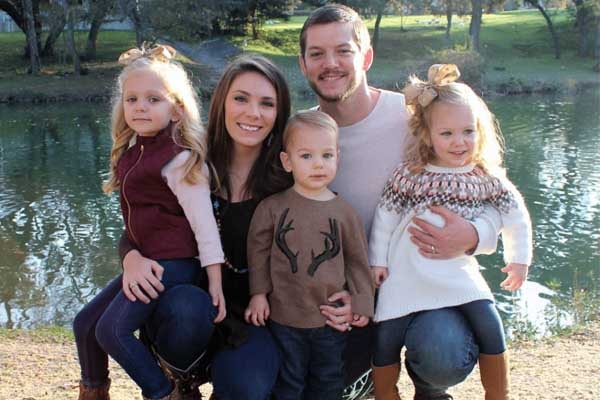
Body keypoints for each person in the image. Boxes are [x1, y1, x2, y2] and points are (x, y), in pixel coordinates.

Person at [298, 4, 504, 399]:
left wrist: (475, 235)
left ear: (366, 57)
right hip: (347, 291)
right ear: (303, 63)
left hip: (425, 280)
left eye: (343, 51)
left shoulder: (413, 118)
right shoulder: (302, 134)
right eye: (317, 53)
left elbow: (492, 191)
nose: (331, 64)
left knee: (441, 351)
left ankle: (430, 389)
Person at [117, 54, 295, 399]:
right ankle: (180, 380)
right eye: (240, 98)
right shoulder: (187, 161)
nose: (253, 113)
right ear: (221, 103)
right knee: (187, 307)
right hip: (183, 304)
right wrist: (130, 257)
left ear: (279, 113)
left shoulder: (286, 179)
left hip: (249, 315)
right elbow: (139, 225)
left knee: (245, 387)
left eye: (267, 103)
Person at [369, 64, 533, 400]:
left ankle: (498, 393)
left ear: (479, 130)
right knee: (386, 335)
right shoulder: (410, 174)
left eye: (468, 131)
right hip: (406, 273)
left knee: (489, 322)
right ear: (427, 135)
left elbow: (515, 215)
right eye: (447, 134)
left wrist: (519, 259)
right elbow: (385, 217)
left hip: (456, 274)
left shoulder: (484, 176)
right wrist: (378, 261)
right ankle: (386, 394)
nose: (459, 142)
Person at [73, 45, 226, 400]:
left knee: (112, 331)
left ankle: (164, 392)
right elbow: (134, 227)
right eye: (132, 99)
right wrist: (130, 257)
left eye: (153, 99)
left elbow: (205, 228)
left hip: (175, 264)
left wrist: (215, 283)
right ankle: (93, 392)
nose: (140, 107)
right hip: (147, 262)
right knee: (85, 324)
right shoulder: (132, 153)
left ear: (176, 109)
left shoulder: (179, 160)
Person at [244, 110, 375, 399]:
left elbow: (357, 261)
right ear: (287, 161)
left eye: (326, 155)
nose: (318, 164)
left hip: (329, 320)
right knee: (288, 383)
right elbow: (258, 253)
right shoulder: (272, 208)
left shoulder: (344, 213)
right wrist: (258, 294)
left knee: (327, 382)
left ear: (338, 157)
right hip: (284, 318)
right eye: (306, 156)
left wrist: (362, 302)